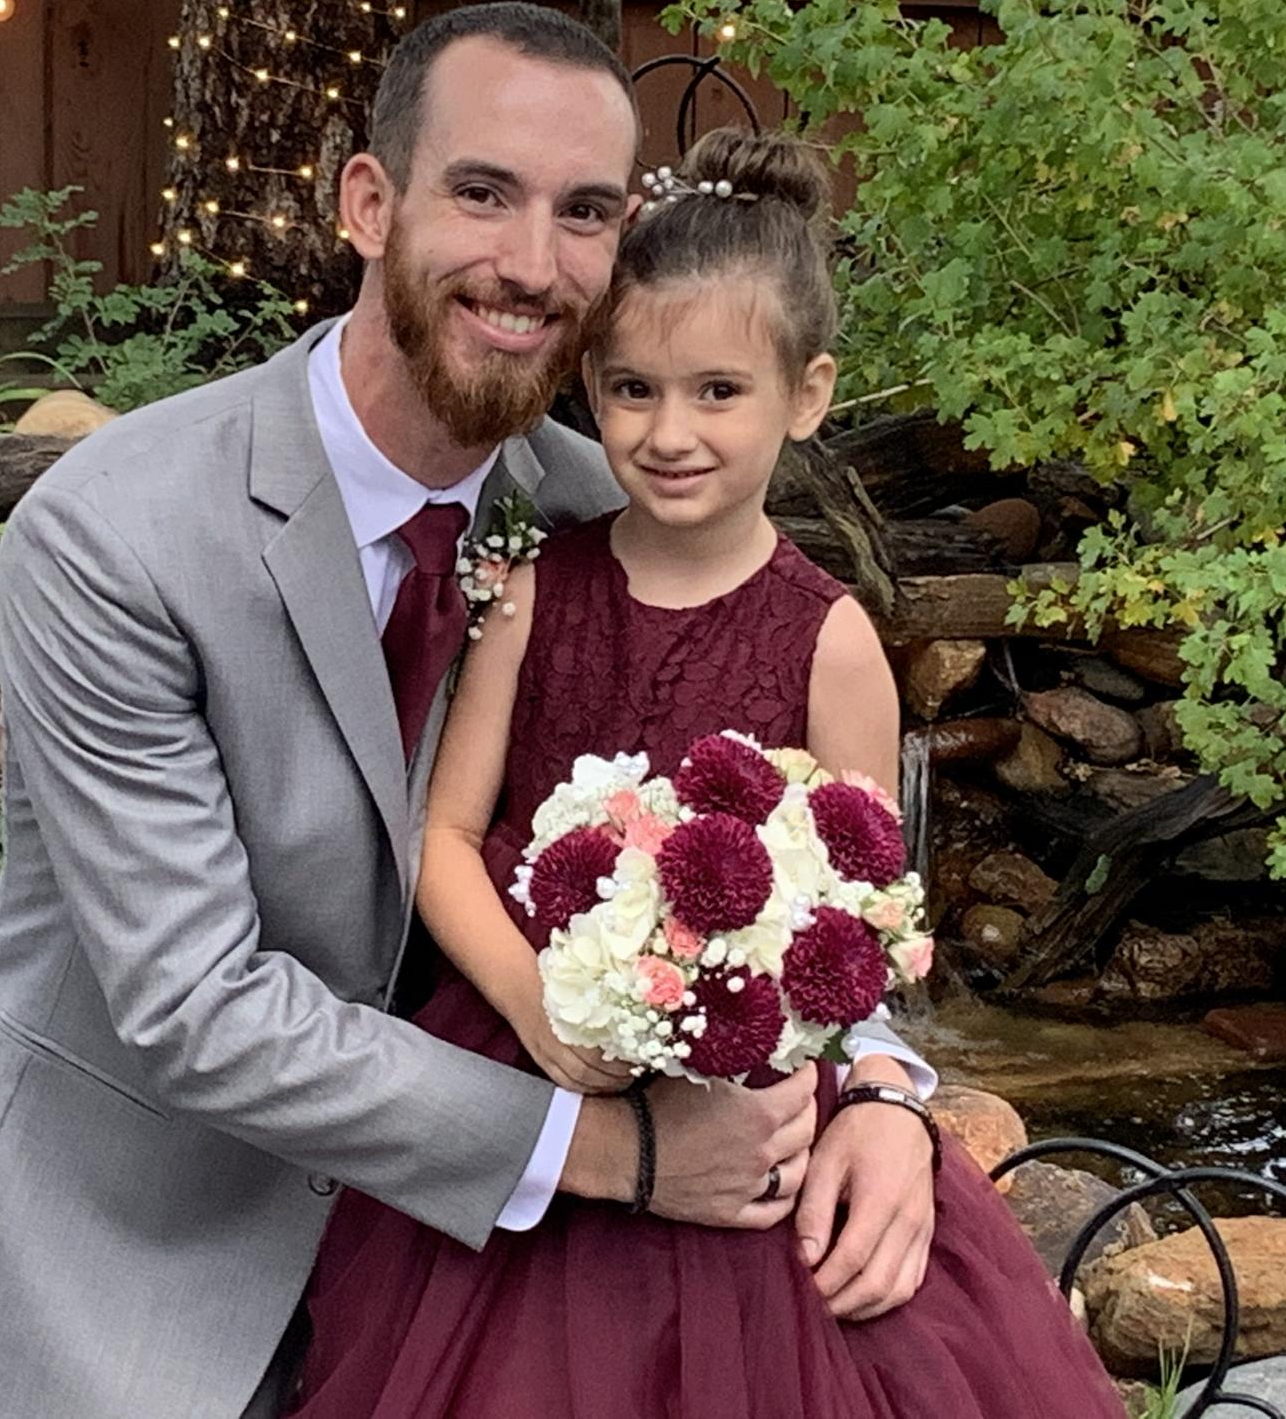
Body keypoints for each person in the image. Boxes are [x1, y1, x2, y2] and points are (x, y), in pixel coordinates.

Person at [0, 5, 941, 1419]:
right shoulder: (116, 536)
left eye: (584, 212)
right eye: (483, 192)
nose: (533, 264)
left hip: (479, 1276)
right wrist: (624, 1155)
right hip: (133, 1267)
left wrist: (881, 1086)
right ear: (367, 203)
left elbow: (811, 849)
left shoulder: (613, 513)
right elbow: (196, 1005)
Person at [288, 126, 1129, 1419]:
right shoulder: (531, 594)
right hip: (535, 1063)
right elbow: (442, 838)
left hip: (755, 1105)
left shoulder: (833, 643)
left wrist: (877, 1092)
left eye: (719, 392)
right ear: (588, 387)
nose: (669, 432)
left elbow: (865, 931)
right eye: (632, 389)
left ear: (807, 393)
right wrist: (539, 1009)